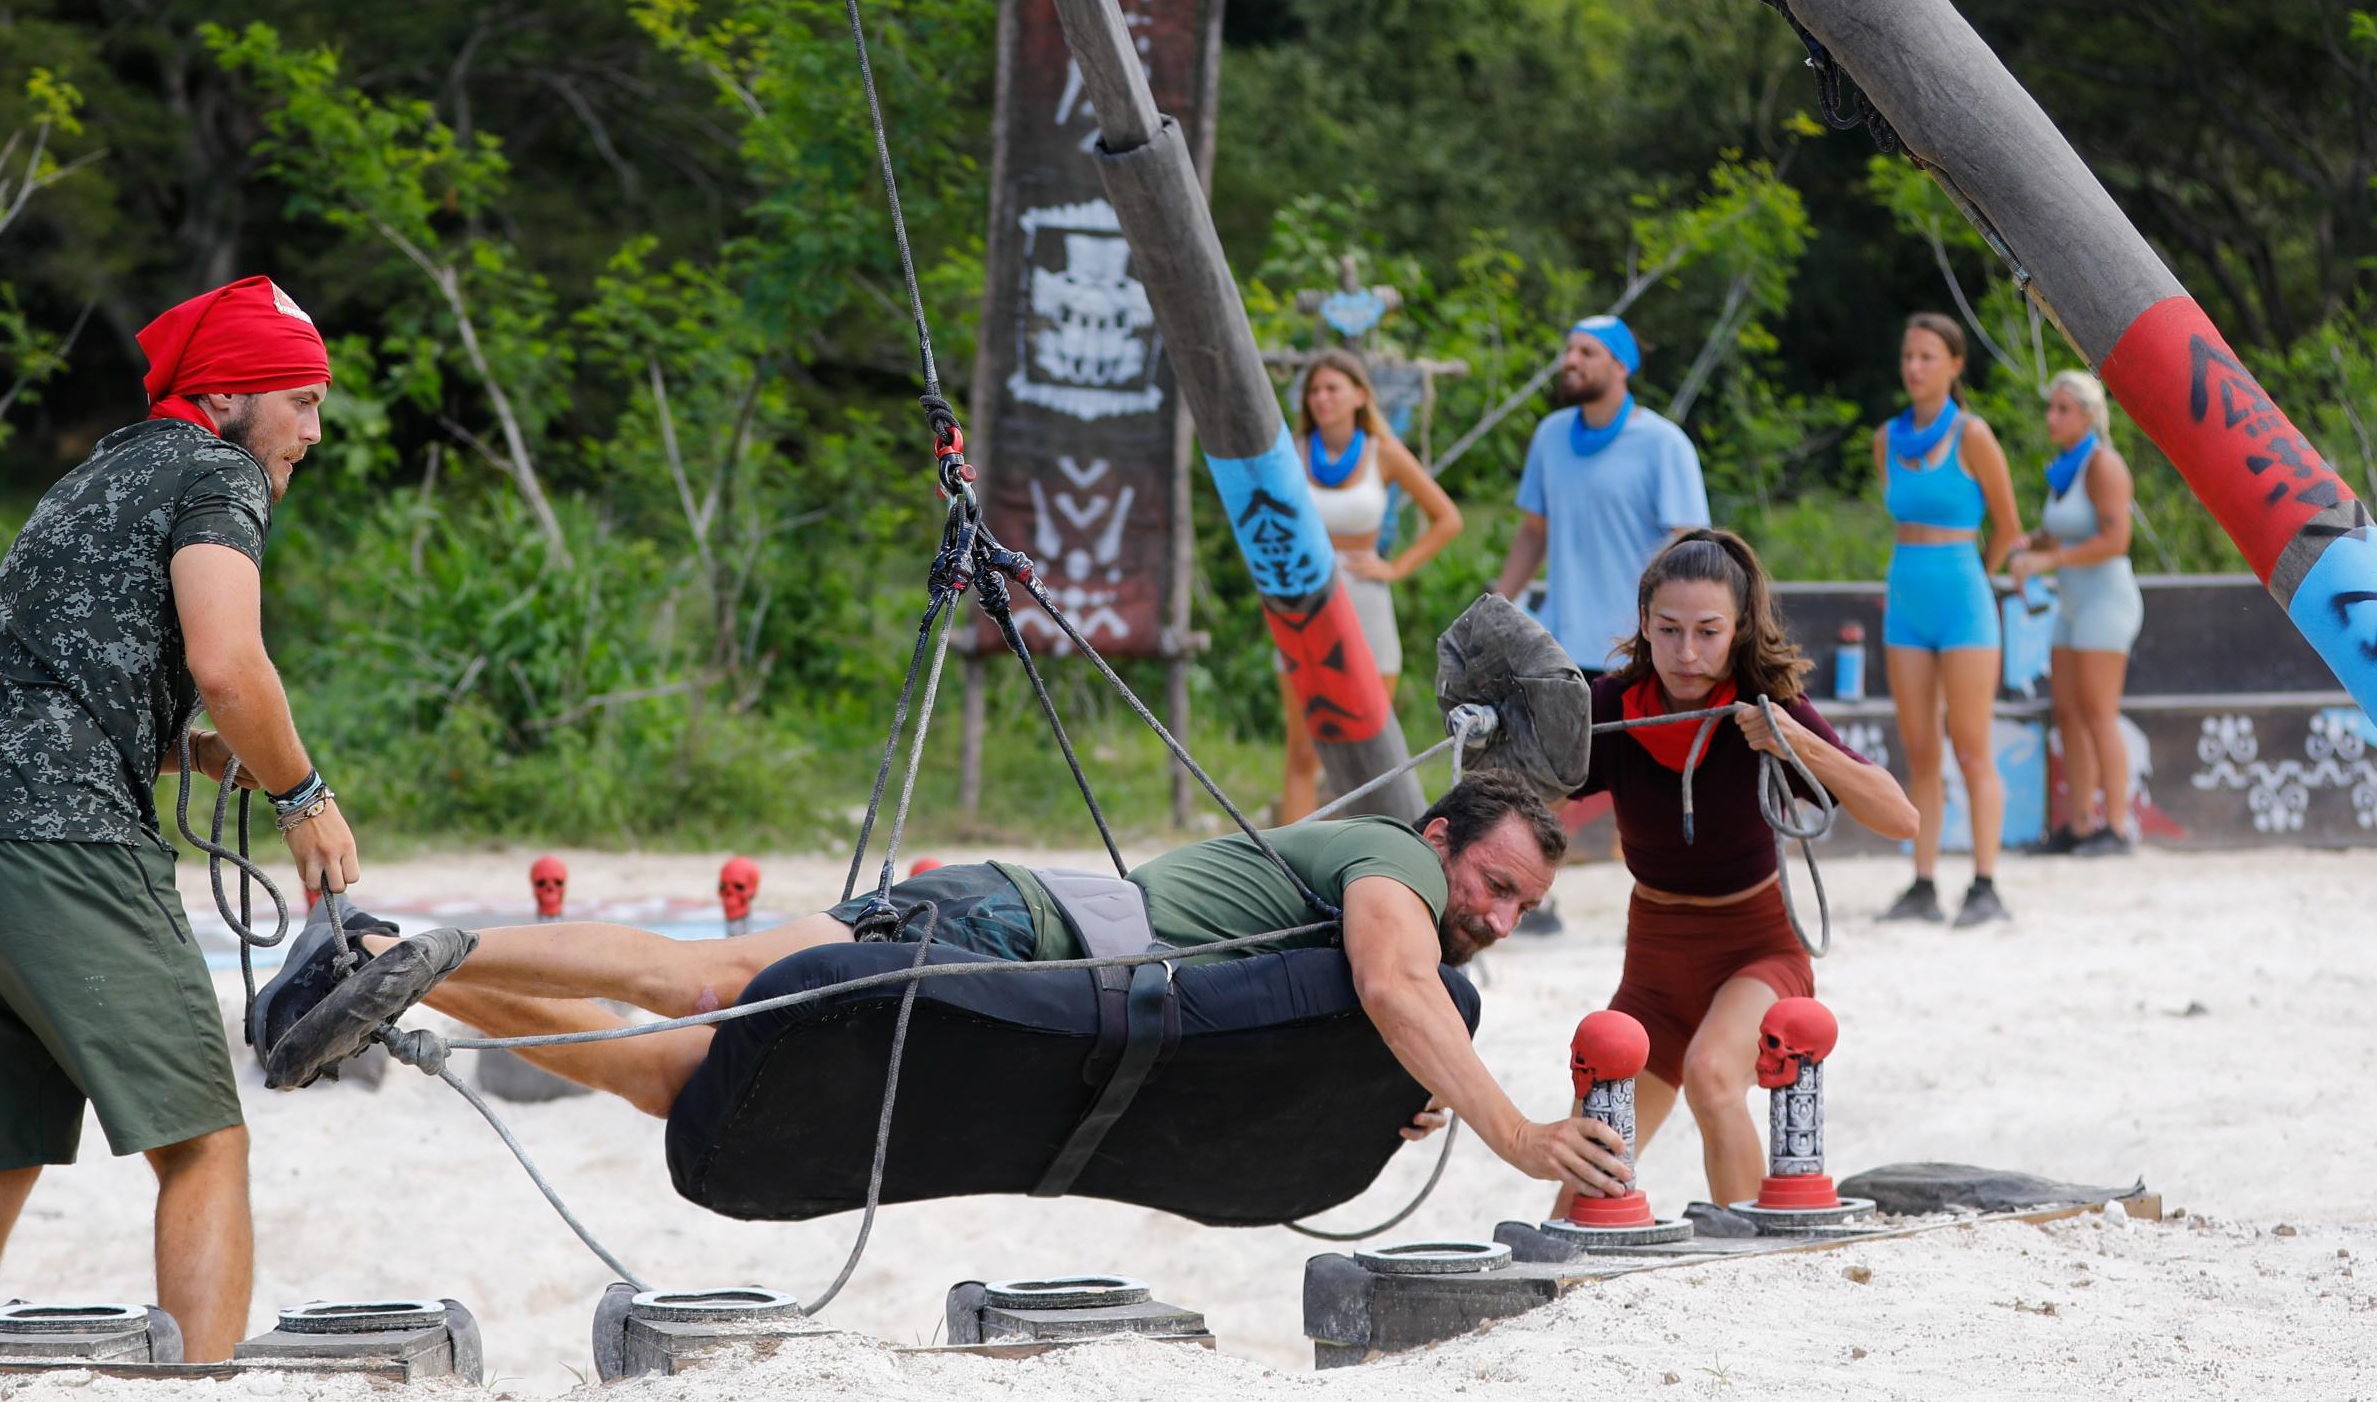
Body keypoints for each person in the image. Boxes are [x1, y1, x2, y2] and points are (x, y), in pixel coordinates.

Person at [270, 771, 1633, 1200]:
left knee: (674, 1079)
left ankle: (403, 979)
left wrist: (1380, 1095)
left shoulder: (1408, 914)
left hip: (1012, 953)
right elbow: (1395, 989)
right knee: (710, 982)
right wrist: (1514, 1131)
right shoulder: (1396, 862)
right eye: (1493, 882)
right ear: (1441, 838)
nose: (1497, 915)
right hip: (1005, 922)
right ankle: (415, 944)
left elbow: (1351, 1018)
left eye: (1522, 907)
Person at [0, 275, 358, 1365]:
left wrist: (191, 750)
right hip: (68, 847)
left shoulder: (93, 472)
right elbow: (228, 664)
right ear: (229, 395)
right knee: (205, 1148)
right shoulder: (220, 472)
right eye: (301, 402)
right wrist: (303, 795)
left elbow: (57, 681)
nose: (311, 432)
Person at [1559, 529, 1914, 1213]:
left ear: (1740, 628)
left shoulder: (1766, 704)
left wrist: (1795, 740)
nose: (1687, 653)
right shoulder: (1609, 705)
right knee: (1591, 1152)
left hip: (1757, 947)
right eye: (1669, 630)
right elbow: (1524, 806)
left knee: (1713, 1076)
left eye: (1708, 632)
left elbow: (1902, 818)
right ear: (1644, 624)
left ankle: (1750, 1254)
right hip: (1653, 961)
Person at [1495, 313, 1709, 934]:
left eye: (1586, 352)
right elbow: (1533, 531)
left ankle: (1681, 895)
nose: (1571, 361)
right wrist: (1497, 606)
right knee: (1543, 777)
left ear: (1620, 366)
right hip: (1562, 642)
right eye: (1568, 350)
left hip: (1638, 646)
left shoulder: (1663, 443)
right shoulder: (1550, 437)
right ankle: (1531, 898)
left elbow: (1691, 545)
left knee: (1653, 775)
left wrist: (1676, 632)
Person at [1874, 311, 2026, 927]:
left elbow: (2009, 527)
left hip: (1963, 600)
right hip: (1906, 601)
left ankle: (1985, 885)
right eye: (1909, 356)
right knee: (1919, 751)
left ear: (1955, 365)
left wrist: (1979, 578)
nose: (1914, 367)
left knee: (1971, 747)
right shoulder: (1887, 438)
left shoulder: (1973, 435)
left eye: (1928, 357)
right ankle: (1923, 882)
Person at [1278, 347, 1462, 821]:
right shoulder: (1291, 452)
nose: (1322, 398)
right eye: (1314, 390)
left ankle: (1376, 849)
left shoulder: (1383, 452)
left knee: (1373, 744)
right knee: (1302, 750)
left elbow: (1447, 518)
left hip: (1365, 599)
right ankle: (1285, 857)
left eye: (1332, 388)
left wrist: (1395, 568)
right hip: (1303, 602)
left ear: (1360, 395)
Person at [2009, 369, 2142, 855]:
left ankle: (2118, 827)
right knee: (2067, 711)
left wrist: (2049, 560)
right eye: (2051, 407)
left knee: (2099, 712)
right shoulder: (2064, 469)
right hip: (2071, 603)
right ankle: (2081, 823)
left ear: (2088, 415)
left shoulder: (2103, 465)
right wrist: (2031, 543)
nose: (2052, 417)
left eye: (2063, 409)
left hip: (2105, 601)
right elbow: (2064, 530)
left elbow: (2115, 539)